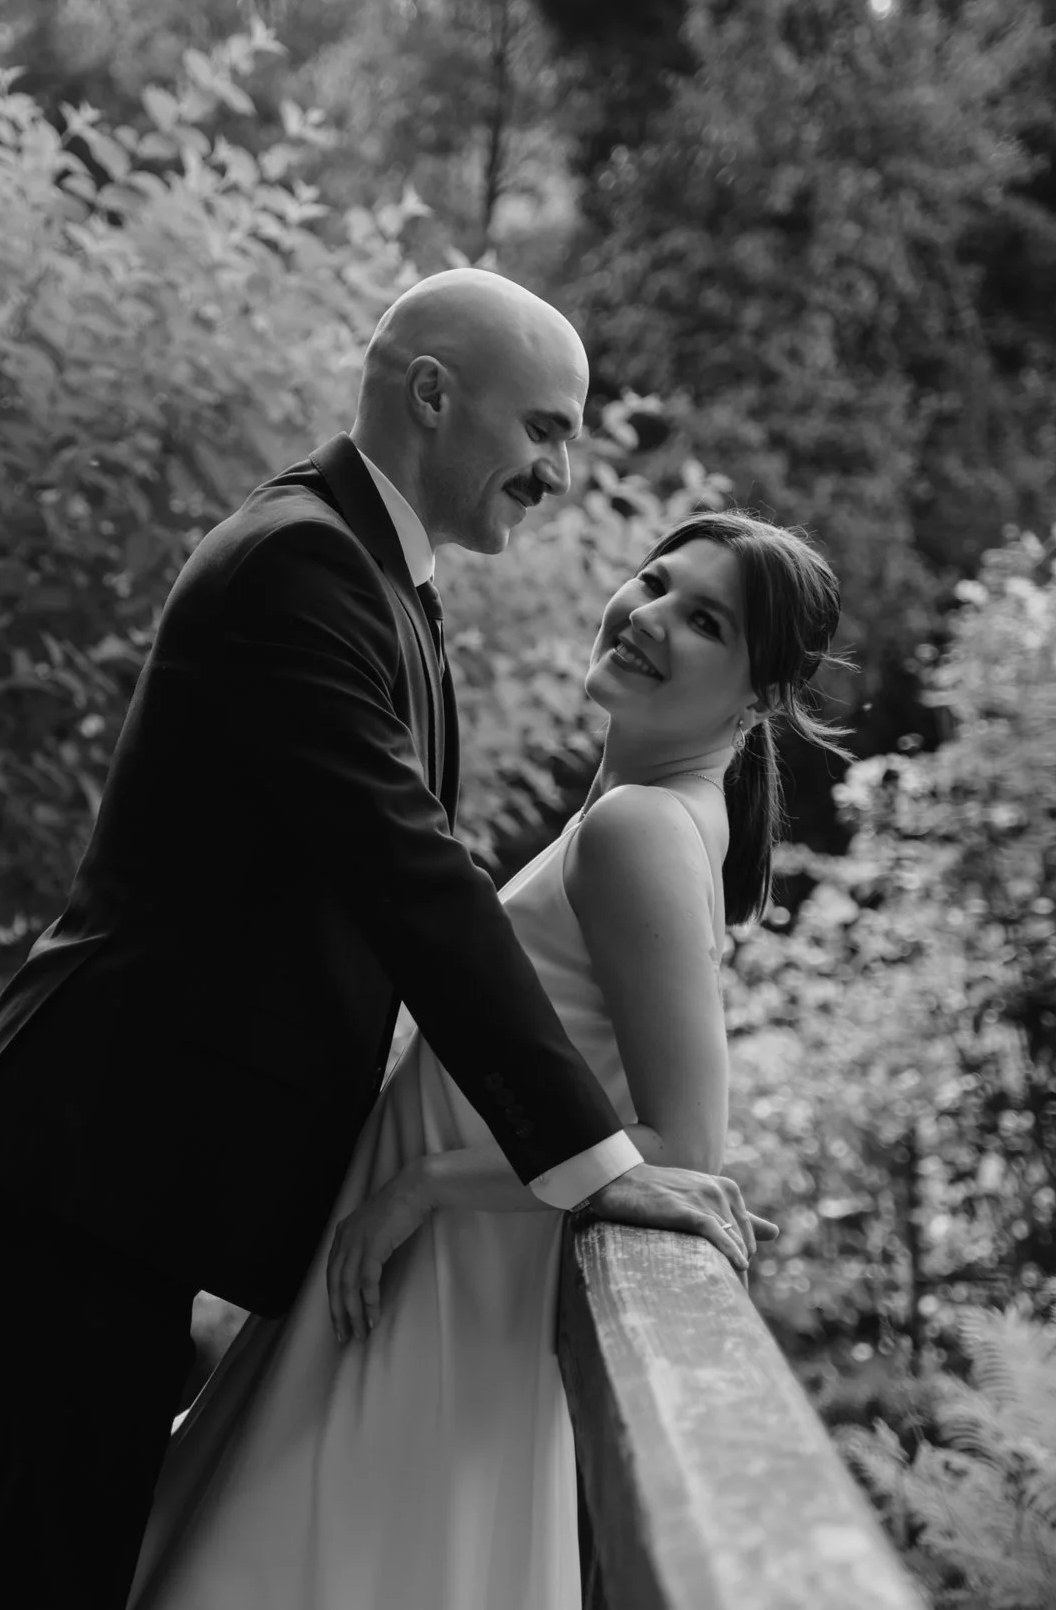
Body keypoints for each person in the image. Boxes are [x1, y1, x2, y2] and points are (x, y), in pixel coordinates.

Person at [0, 268, 778, 1610]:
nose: (556, 472)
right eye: (544, 428)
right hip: (104, 1141)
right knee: (38, 1563)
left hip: (125, 1147)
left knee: (3, 1543)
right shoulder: (304, 562)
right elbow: (412, 879)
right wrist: (597, 1161)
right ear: (434, 394)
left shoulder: (380, 577)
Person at [127, 509, 847, 1609]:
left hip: (441, 1288)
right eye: (655, 580)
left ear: (756, 699)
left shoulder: (643, 828)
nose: (650, 616)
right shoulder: (649, 815)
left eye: (706, 621)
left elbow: (682, 1144)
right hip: (420, 1278)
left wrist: (423, 1183)